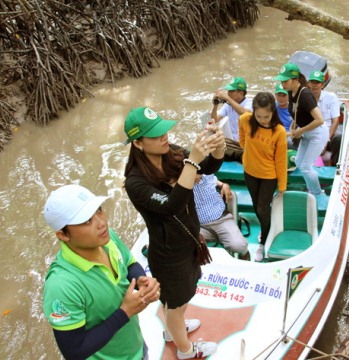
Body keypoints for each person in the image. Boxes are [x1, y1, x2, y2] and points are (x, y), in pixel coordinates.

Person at [123, 106, 225, 359]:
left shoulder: (171, 154)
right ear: (137, 143)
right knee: (176, 304)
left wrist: (218, 148)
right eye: (155, 135)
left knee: (179, 300)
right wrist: (191, 162)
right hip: (168, 255)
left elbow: (208, 168)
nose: (164, 137)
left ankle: (172, 330)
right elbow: (171, 206)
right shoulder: (135, 182)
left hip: (189, 243)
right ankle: (186, 351)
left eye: (163, 131)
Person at [42, 184, 160, 360]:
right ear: (63, 235)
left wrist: (140, 278)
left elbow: (129, 264)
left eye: (98, 210)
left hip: (136, 348)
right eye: (86, 221)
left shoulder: (106, 238)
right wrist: (125, 312)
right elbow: (74, 351)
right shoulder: (62, 285)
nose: (101, 222)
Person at [238, 92, 288, 262]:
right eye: (258, 116)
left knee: (261, 208)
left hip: (268, 175)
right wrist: (244, 145)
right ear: (253, 112)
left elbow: (281, 160)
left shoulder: (279, 131)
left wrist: (282, 186)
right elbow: (242, 136)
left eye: (266, 116)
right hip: (250, 172)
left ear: (273, 111)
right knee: (256, 205)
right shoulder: (246, 119)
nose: (262, 119)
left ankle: (263, 242)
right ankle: (266, 227)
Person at [275, 62, 329, 197]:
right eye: (281, 80)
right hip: (306, 132)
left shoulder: (305, 95)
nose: (283, 84)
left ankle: (317, 193)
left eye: (285, 81)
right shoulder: (290, 91)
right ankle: (311, 188)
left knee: (306, 166)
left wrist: (300, 131)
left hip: (317, 133)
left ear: (296, 79)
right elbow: (297, 110)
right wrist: (294, 124)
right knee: (299, 162)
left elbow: (320, 120)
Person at [193, 174, 250, 260]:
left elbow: (215, 181)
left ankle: (245, 256)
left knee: (239, 245)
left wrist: (224, 185)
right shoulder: (181, 182)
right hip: (199, 226)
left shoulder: (207, 175)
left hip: (222, 220)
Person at [307, 70, 342, 166]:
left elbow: (335, 122)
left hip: (329, 133)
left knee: (339, 138)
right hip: (313, 132)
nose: (314, 85)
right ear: (308, 84)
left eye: (317, 82)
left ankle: (335, 165)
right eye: (312, 82)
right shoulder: (304, 98)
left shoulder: (331, 97)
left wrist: (326, 141)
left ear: (322, 85)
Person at [211, 76, 253, 142]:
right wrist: (215, 105)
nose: (228, 93)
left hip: (248, 141)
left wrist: (227, 98)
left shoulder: (249, 103)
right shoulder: (228, 105)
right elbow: (214, 120)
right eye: (228, 91)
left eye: (231, 91)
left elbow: (245, 114)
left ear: (241, 93)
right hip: (234, 141)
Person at [274, 83, 296, 150]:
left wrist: (287, 134)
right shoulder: (272, 107)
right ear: (275, 95)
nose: (281, 98)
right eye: (279, 95)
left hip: (288, 135)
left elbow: (297, 129)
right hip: (275, 133)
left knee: (289, 142)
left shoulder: (294, 109)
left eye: (284, 95)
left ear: (289, 96)